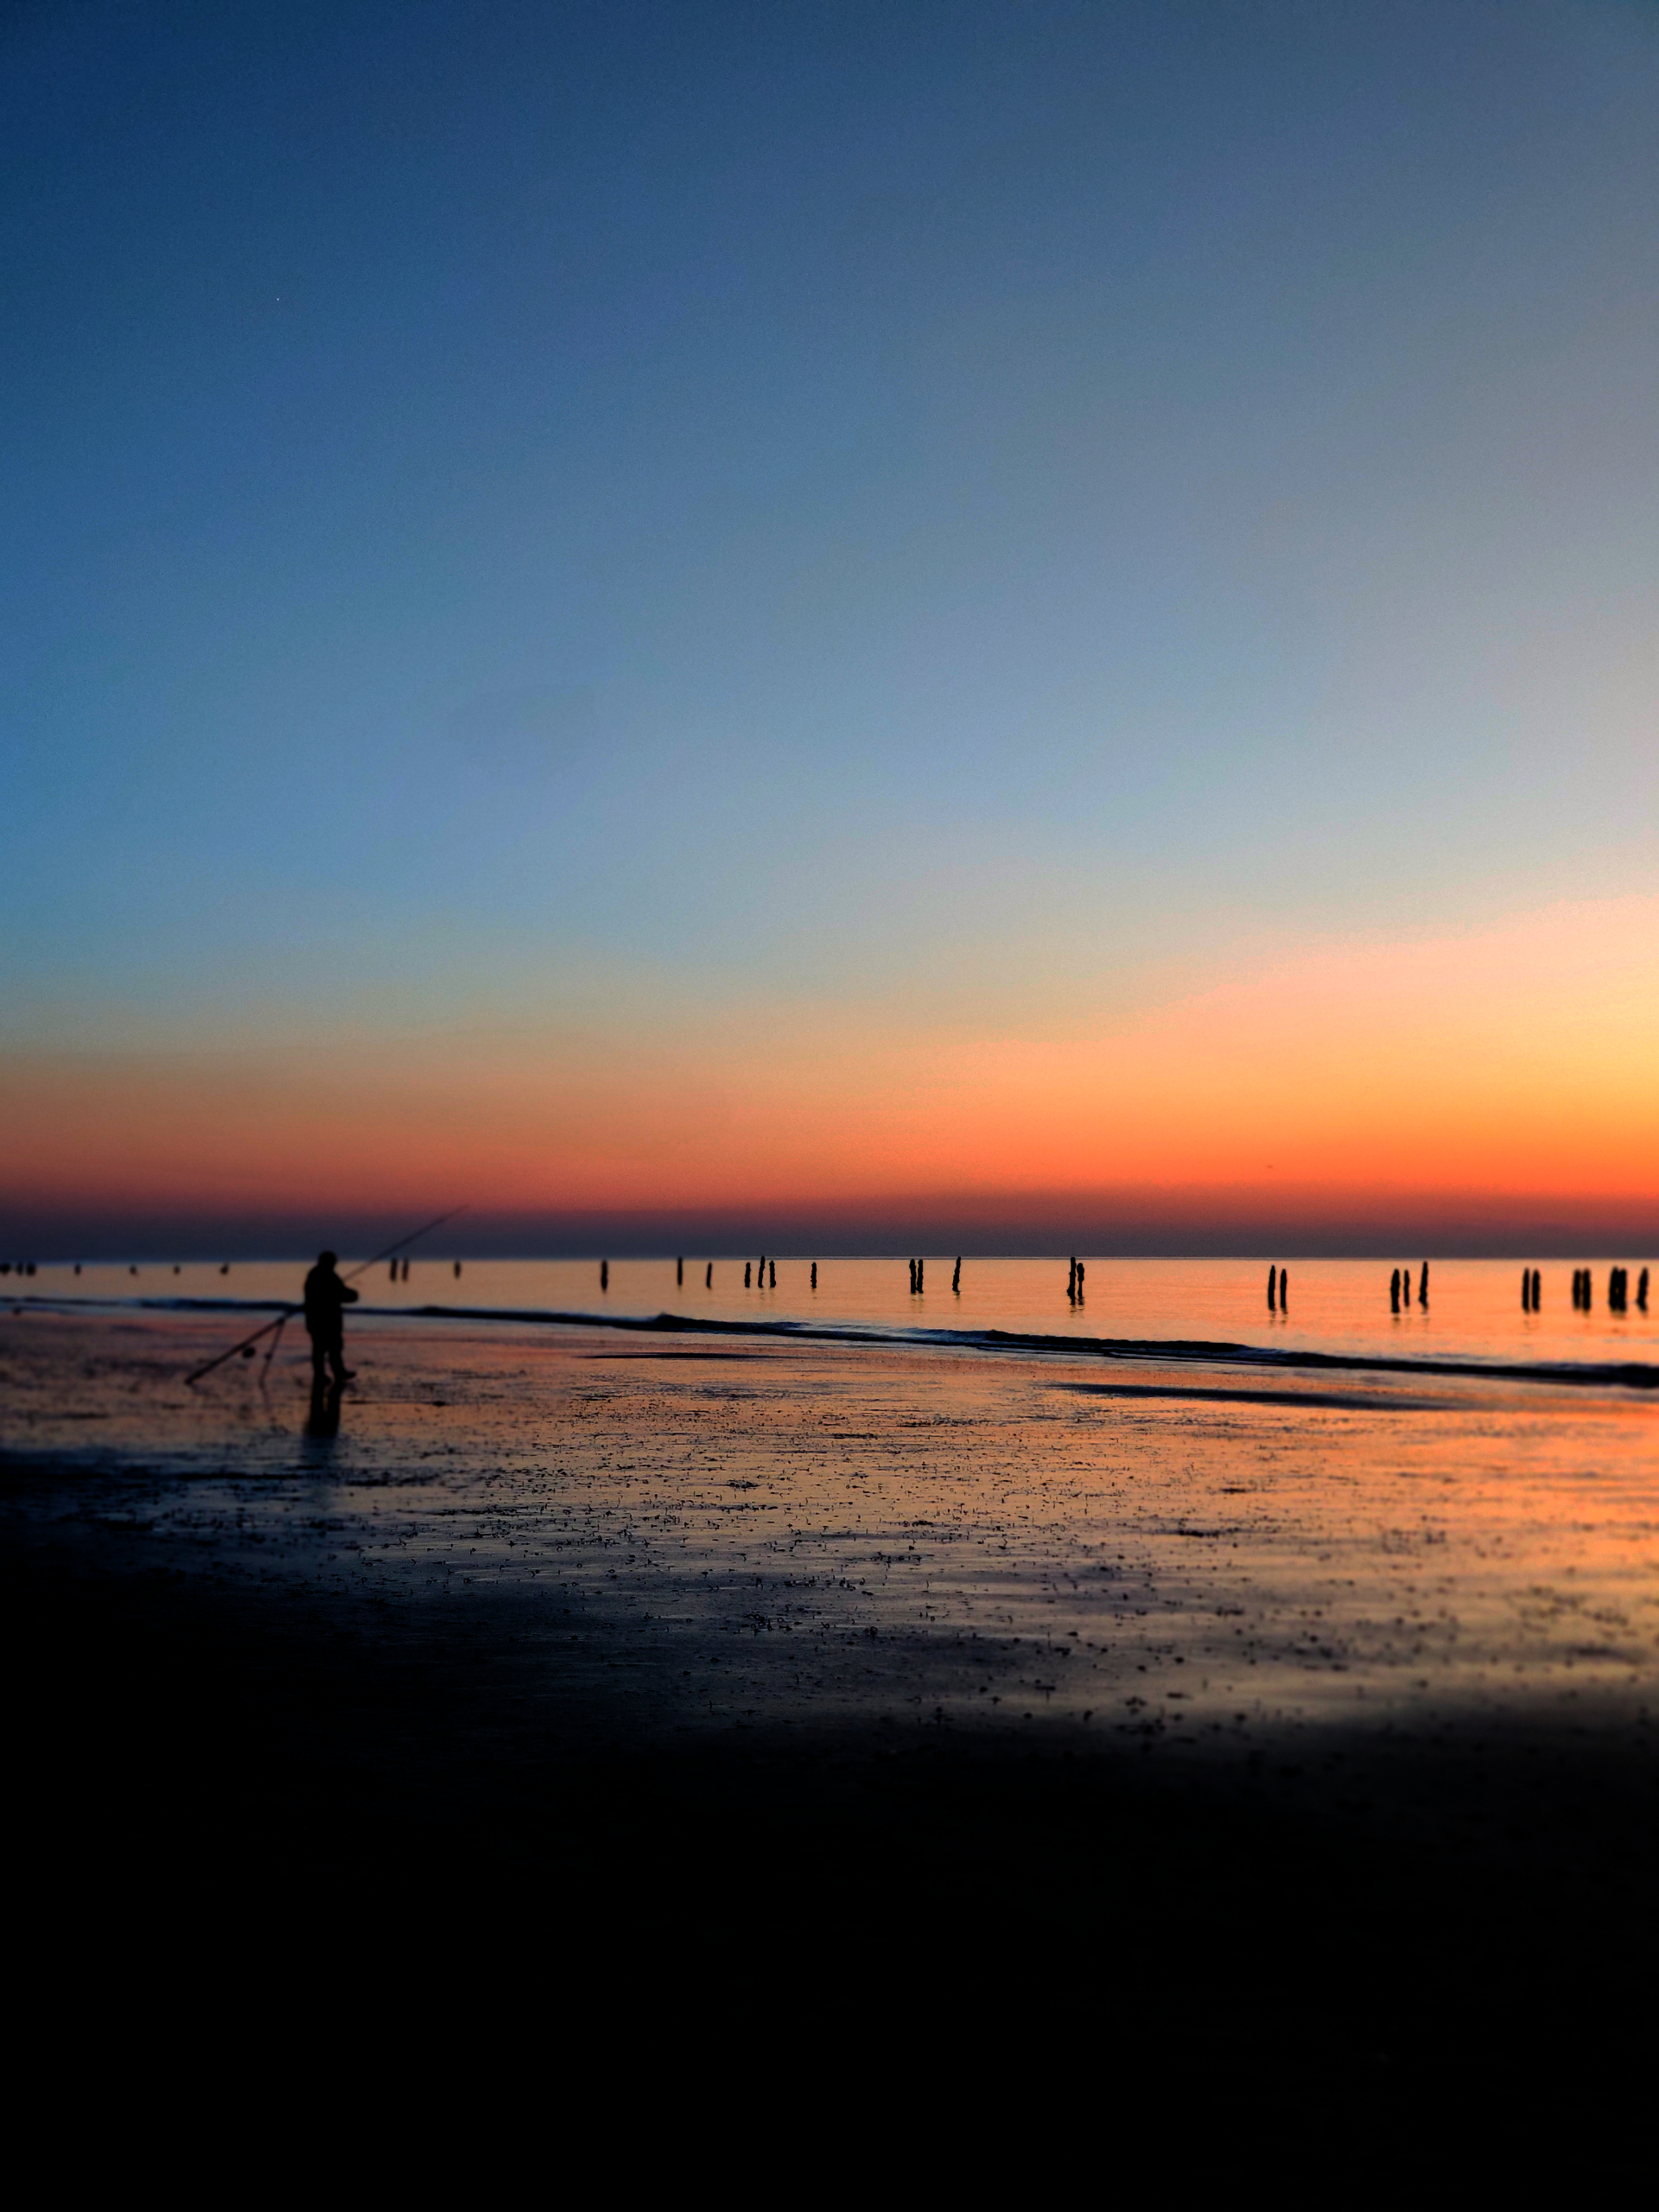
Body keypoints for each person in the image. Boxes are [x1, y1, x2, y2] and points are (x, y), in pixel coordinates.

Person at [302, 1249, 359, 1383]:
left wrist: (350, 1294)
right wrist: (353, 1295)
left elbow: (337, 1293)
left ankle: (332, 1373)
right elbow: (337, 1294)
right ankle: (327, 1375)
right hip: (324, 1319)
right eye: (333, 1262)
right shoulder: (324, 1275)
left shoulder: (317, 1274)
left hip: (318, 1319)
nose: (334, 1264)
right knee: (326, 1348)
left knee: (330, 1347)